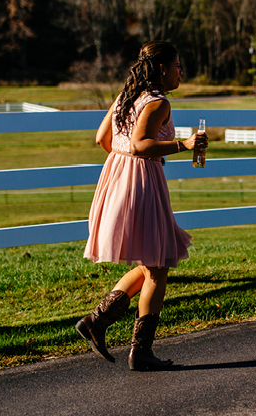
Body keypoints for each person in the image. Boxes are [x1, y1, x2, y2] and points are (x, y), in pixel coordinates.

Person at [76, 41, 206, 371]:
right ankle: (140, 350)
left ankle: (97, 321)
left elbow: (103, 140)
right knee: (158, 264)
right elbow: (140, 144)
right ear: (162, 68)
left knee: (152, 260)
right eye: (178, 65)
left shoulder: (126, 95)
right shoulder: (158, 101)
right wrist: (184, 144)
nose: (181, 72)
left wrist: (122, 166)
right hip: (142, 179)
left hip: (116, 176)